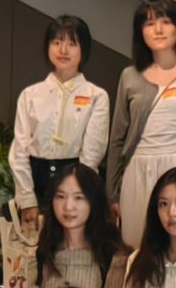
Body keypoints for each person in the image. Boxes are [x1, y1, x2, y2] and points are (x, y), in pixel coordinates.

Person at [108, 0, 176, 251]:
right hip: (138, 169)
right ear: (140, 32)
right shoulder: (129, 76)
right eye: (149, 24)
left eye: (166, 22)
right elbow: (117, 139)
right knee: (137, 249)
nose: (158, 29)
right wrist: (112, 193)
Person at [9, 14, 112, 229]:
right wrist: (27, 199)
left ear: (84, 50)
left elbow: (92, 154)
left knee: (75, 245)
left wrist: (79, 195)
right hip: (35, 181)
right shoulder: (30, 95)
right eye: (56, 42)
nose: (63, 50)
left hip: (77, 179)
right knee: (34, 245)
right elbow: (19, 149)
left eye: (72, 44)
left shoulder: (96, 96)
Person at [33, 161, 125, 288]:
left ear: (93, 202)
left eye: (79, 197)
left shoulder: (112, 256)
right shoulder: (44, 253)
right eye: (60, 196)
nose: (68, 206)